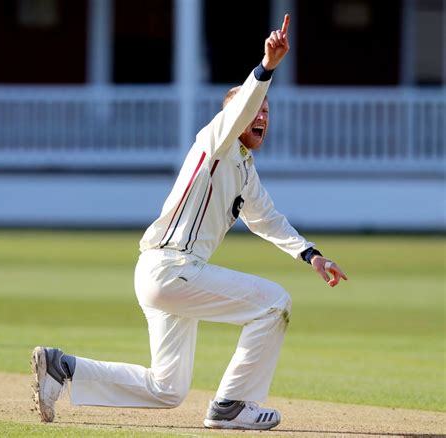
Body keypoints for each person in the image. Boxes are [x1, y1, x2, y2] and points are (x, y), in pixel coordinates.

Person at [32, 14, 347, 430]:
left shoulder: (245, 169)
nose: (262, 116)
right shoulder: (215, 142)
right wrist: (267, 67)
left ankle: (63, 368)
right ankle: (234, 404)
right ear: (232, 116)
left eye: (267, 111)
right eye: (256, 108)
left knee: (167, 388)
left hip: (164, 274)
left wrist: (313, 256)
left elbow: (268, 220)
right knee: (275, 304)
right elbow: (241, 109)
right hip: (172, 268)